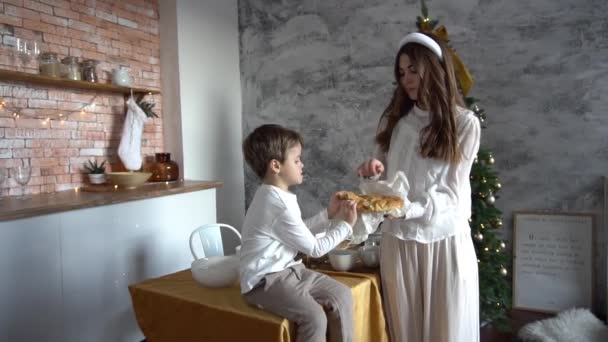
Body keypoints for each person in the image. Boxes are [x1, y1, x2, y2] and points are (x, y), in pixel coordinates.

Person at [357, 32, 481, 342]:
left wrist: (409, 208)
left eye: (413, 69)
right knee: (405, 332)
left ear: (434, 67)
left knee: (447, 331)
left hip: (445, 243)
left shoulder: (464, 124)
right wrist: (372, 176)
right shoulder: (397, 124)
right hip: (399, 243)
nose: (407, 79)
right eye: (401, 72)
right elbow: (385, 186)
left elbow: (453, 194)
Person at [240, 124, 358, 342]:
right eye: (296, 160)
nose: (302, 164)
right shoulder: (274, 202)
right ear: (275, 165)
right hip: (263, 282)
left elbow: (298, 232)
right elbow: (315, 249)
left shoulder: (278, 195)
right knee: (314, 318)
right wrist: (346, 225)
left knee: (342, 295)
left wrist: (328, 215)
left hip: (291, 270)